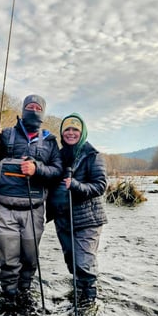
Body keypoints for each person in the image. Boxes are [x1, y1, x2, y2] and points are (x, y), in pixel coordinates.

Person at [0, 94, 63, 299]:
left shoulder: (50, 142)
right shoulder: (5, 136)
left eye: (37, 108)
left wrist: (37, 169)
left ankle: (24, 295)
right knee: (8, 262)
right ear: (23, 109)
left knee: (30, 260)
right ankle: (9, 298)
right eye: (30, 107)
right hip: (4, 210)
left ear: (43, 113)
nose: (33, 110)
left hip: (34, 212)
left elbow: (58, 171)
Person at [46, 113, 108, 300]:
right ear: (62, 132)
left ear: (82, 133)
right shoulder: (57, 155)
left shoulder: (92, 155)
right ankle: (79, 292)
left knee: (84, 263)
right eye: (67, 129)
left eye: (75, 130)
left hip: (87, 218)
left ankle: (88, 302)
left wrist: (76, 185)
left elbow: (100, 185)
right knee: (72, 262)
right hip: (63, 218)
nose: (71, 133)